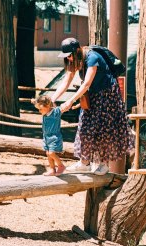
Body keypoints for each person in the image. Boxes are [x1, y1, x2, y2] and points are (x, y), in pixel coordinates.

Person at [52, 37, 134, 175]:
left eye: (70, 55)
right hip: (93, 96)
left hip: (107, 96)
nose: (69, 59)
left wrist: (71, 100)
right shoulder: (75, 60)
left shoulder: (92, 57)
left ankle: (103, 164)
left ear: (76, 50)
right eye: (66, 57)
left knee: (104, 129)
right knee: (84, 127)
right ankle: (84, 163)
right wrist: (53, 99)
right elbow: (66, 81)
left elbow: (86, 83)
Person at [31, 95, 65, 176]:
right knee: (48, 153)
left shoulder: (55, 112)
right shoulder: (45, 113)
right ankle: (52, 169)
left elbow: (63, 107)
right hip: (46, 137)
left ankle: (61, 166)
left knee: (51, 153)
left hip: (54, 137)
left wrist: (72, 101)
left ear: (47, 106)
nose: (39, 111)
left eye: (40, 109)